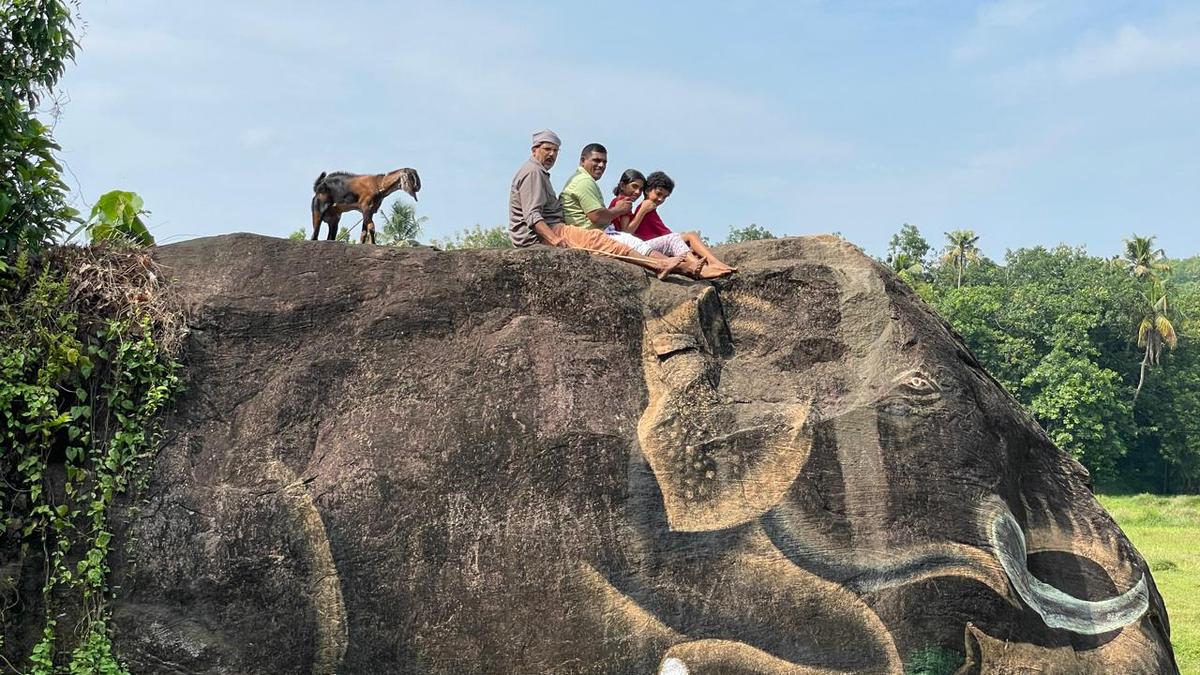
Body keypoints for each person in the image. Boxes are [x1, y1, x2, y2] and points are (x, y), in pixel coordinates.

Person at [508, 130, 694, 279]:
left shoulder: (539, 172)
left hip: (554, 228)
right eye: (547, 149)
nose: (551, 154)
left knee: (604, 240)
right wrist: (554, 239)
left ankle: (669, 264)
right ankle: (661, 264)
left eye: (555, 151)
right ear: (534, 150)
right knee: (600, 241)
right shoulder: (533, 172)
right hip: (543, 234)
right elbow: (533, 215)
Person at [612, 170, 736, 277]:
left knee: (690, 235)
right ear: (648, 190)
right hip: (641, 247)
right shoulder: (633, 205)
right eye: (658, 194)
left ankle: (713, 262)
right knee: (679, 238)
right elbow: (627, 232)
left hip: (646, 245)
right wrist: (643, 211)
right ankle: (698, 267)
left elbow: (662, 232)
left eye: (665, 197)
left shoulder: (638, 206)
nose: (660, 199)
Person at [559, 143, 633, 230]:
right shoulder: (584, 181)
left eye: (604, 162)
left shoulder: (583, 179)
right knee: (637, 243)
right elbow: (597, 217)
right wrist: (619, 209)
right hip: (588, 236)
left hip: (589, 234)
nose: (601, 165)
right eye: (596, 160)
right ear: (583, 161)